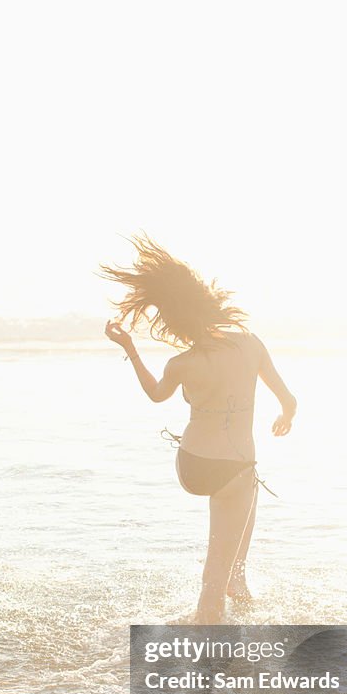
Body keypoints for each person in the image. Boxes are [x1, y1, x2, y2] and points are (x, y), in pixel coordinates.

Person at [102, 236, 297, 624]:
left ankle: (236, 579)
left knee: (249, 486)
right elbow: (288, 400)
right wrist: (284, 417)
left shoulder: (181, 363)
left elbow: (157, 395)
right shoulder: (250, 345)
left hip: (191, 467)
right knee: (212, 583)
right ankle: (210, 646)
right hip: (233, 468)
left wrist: (130, 347)